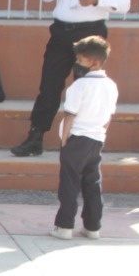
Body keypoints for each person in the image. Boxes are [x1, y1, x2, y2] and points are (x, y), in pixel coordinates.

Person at [11, 0, 130, 157]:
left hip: (90, 33)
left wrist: (97, 1)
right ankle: (36, 137)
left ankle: (81, 140)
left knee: (86, 88)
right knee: (49, 85)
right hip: (61, 32)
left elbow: (124, 4)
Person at [50, 36, 118, 240]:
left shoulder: (78, 87)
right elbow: (109, 117)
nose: (77, 64)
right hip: (96, 139)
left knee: (69, 184)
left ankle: (64, 226)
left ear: (94, 62)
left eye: (81, 60)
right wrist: (102, 134)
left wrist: (64, 141)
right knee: (93, 183)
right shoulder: (111, 85)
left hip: (76, 138)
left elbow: (70, 114)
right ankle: (92, 226)